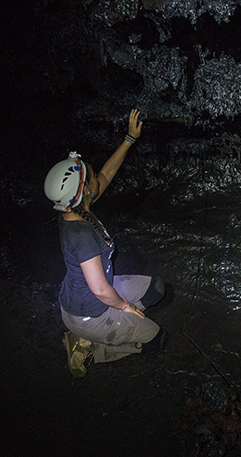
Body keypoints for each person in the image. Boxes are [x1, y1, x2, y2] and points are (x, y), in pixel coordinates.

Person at [44, 108, 167, 378]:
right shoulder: (81, 235)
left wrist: (129, 139)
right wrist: (125, 306)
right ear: (86, 190)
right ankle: (91, 350)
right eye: (90, 175)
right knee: (157, 338)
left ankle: (118, 324)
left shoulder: (75, 208)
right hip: (90, 313)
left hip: (89, 295)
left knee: (156, 288)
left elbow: (107, 176)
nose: (96, 174)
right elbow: (100, 290)